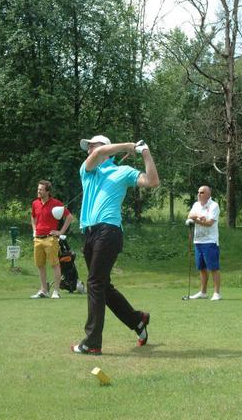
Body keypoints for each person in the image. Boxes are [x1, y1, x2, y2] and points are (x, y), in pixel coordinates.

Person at [71, 135, 160, 355]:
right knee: (103, 286)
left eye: (93, 145)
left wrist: (145, 152)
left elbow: (152, 182)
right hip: (89, 234)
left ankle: (92, 342)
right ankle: (137, 320)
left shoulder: (124, 172)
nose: (89, 149)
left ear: (106, 148)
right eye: (88, 147)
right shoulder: (88, 170)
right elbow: (99, 154)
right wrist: (130, 146)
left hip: (109, 231)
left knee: (94, 283)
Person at [30, 180, 73, 299]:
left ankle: (56, 291)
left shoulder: (56, 203)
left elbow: (69, 217)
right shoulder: (35, 203)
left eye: (41, 189)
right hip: (37, 239)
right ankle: (44, 290)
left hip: (50, 239)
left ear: (47, 191)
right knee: (40, 265)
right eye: (38, 189)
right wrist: (34, 230)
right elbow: (33, 217)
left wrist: (60, 232)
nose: (38, 191)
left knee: (55, 264)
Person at [187, 186, 222, 301]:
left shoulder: (214, 206)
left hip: (210, 241)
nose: (199, 194)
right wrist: (198, 217)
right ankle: (203, 292)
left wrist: (196, 220)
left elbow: (209, 223)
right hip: (198, 241)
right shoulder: (196, 205)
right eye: (198, 192)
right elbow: (189, 216)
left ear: (208, 194)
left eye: (201, 192)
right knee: (201, 268)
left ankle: (217, 293)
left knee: (213, 268)